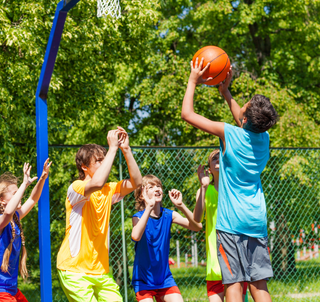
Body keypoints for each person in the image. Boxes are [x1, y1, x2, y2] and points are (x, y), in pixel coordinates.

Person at [181, 58, 278, 302]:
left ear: (243, 120)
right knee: (259, 283)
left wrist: (193, 80)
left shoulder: (229, 134)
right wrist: (226, 92)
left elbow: (187, 114)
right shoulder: (263, 139)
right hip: (256, 220)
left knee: (233, 283)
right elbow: (244, 121)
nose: (240, 107)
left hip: (231, 223)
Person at [57, 127, 142, 302]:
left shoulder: (109, 189)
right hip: (74, 271)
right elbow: (96, 183)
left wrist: (126, 150)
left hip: (101, 272)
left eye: (105, 160)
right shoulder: (76, 188)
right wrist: (112, 149)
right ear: (84, 167)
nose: (105, 163)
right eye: (99, 161)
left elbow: (137, 182)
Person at [131, 174, 202, 302]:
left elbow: (197, 226)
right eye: (151, 187)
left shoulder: (168, 214)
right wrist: (149, 207)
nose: (157, 189)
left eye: (159, 186)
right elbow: (135, 236)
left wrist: (180, 206)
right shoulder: (138, 217)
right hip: (143, 281)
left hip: (164, 279)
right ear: (142, 195)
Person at [194, 150, 247, 302]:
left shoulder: (235, 189)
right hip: (215, 263)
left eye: (221, 157)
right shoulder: (204, 191)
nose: (218, 159)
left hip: (236, 258)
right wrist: (203, 187)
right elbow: (196, 219)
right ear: (209, 169)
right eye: (214, 158)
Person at [0, 159, 52, 302]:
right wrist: (24, 184)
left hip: (11, 290)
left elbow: (33, 199)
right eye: (15, 193)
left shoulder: (15, 217)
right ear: (2, 200)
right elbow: (7, 213)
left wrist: (42, 179)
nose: (20, 195)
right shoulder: (1, 220)